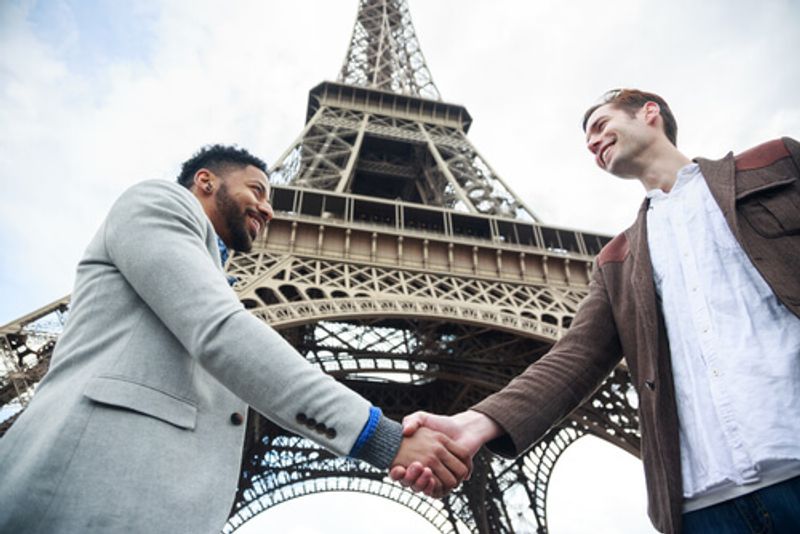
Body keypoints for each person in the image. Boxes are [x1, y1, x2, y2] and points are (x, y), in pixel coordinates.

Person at [0, 145, 469, 533]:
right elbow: (220, 330)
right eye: (259, 190)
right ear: (206, 182)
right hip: (77, 494)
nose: (268, 208)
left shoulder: (214, 274)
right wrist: (379, 436)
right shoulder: (156, 202)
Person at [392, 89, 800, 533]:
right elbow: (575, 356)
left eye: (601, 124)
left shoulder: (776, 164)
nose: (592, 141)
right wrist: (472, 424)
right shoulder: (617, 260)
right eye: (587, 139)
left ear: (650, 114)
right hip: (706, 505)